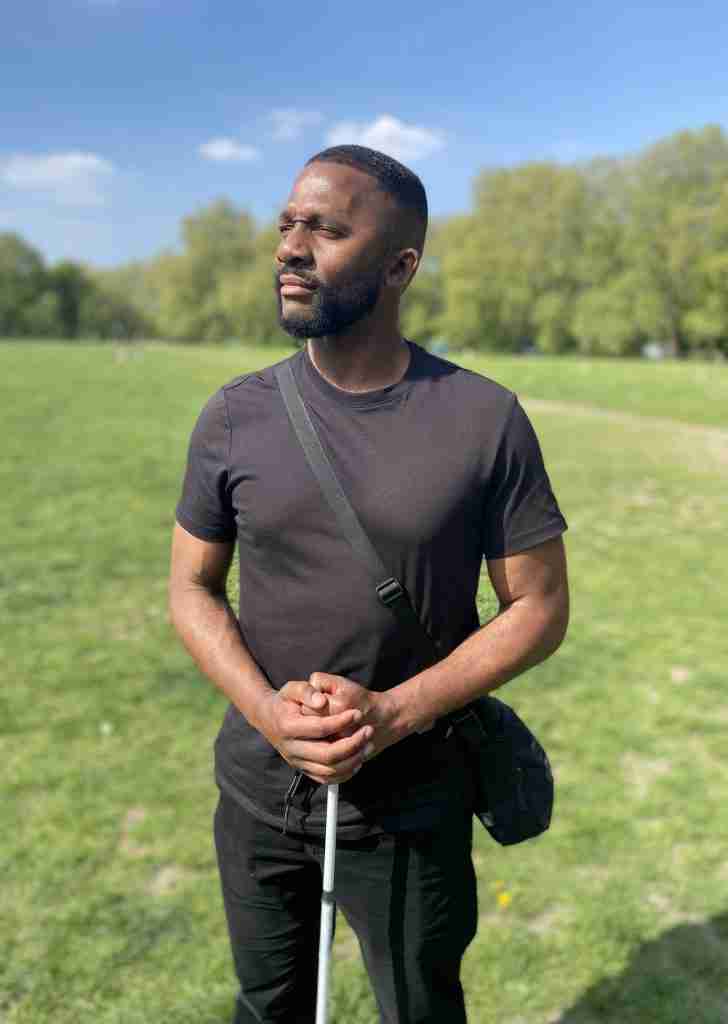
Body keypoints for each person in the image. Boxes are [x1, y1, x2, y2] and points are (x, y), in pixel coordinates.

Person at [169, 144, 570, 1024]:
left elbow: (538, 608)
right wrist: (268, 714)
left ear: (401, 264)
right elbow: (192, 589)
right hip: (258, 799)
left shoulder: (482, 418)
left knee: (420, 1009)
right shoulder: (234, 415)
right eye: (286, 224)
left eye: (325, 228)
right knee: (264, 1004)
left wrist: (394, 713)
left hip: (412, 811)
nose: (289, 246)